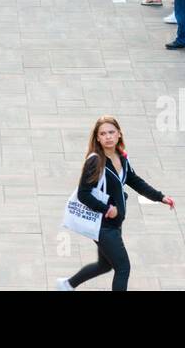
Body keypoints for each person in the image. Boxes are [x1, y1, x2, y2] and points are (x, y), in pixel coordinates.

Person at [57, 116, 175, 291]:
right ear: (97, 138)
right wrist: (106, 209)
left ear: (119, 134)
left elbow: (135, 181)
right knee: (123, 267)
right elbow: (83, 194)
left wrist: (160, 197)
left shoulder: (122, 157)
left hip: (114, 222)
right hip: (102, 224)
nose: (108, 137)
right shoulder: (96, 161)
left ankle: (66, 285)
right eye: (103, 134)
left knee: (105, 265)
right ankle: (66, 285)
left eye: (111, 132)